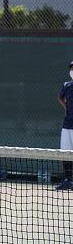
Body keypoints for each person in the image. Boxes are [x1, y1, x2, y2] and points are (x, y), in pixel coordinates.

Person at [55, 61, 73, 190]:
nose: (72, 70)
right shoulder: (66, 85)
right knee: (65, 152)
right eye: (71, 68)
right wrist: (66, 107)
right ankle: (68, 180)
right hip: (67, 125)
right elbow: (60, 97)